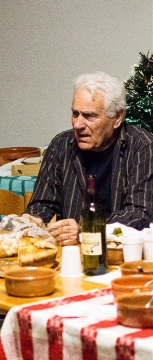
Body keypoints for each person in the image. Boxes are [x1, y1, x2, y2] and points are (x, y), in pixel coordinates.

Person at [25, 72, 153, 245]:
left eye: (89, 116)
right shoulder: (61, 145)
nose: (78, 124)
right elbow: (42, 204)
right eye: (75, 114)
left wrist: (86, 230)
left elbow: (140, 213)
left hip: (122, 254)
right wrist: (33, 219)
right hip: (71, 254)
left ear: (117, 117)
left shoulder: (141, 146)